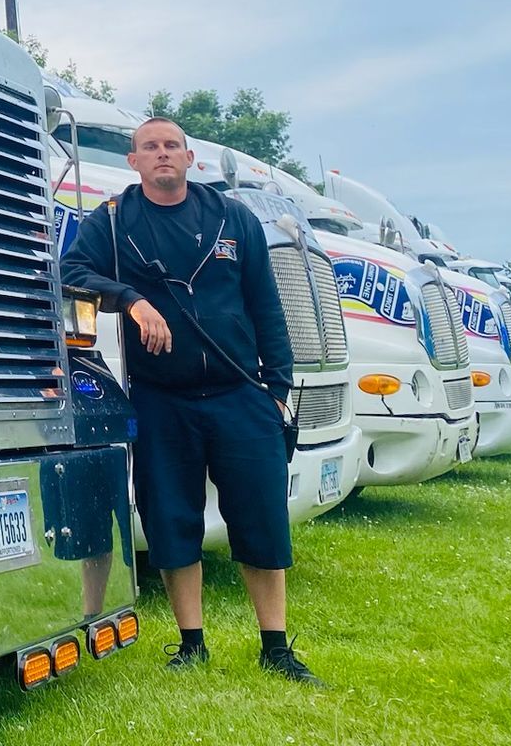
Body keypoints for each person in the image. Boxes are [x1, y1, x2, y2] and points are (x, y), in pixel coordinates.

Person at [59, 115, 323, 686]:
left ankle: (275, 646)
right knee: (171, 518)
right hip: (161, 399)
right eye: (149, 147)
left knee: (262, 518)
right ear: (134, 162)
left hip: (240, 393)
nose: (161, 154)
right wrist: (129, 298)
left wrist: (276, 391)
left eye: (171, 145)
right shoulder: (111, 221)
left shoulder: (235, 218)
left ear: (189, 158)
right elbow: (72, 270)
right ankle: (191, 643)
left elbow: (267, 307)